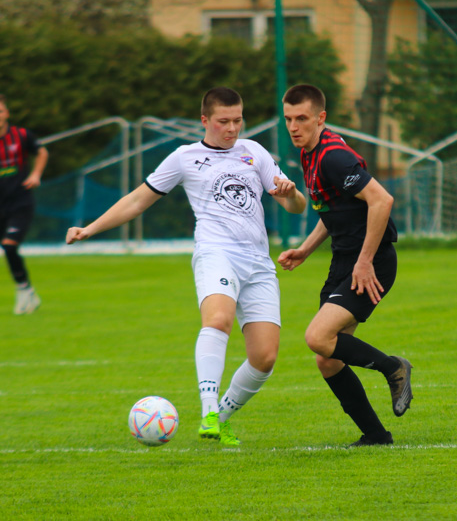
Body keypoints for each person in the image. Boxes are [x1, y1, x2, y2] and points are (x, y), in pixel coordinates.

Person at [66, 87, 306, 447]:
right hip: (215, 252)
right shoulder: (184, 157)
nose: (232, 128)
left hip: (258, 262)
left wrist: (291, 195)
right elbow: (136, 201)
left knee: (265, 357)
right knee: (218, 320)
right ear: (205, 120)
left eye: (238, 120)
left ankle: (220, 419)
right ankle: (209, 409)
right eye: (224, 121)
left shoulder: (254, 152)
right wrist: (91, 228)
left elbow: (296, 207)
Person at [278, 84, 412, 447]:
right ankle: (375, 435)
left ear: (320, 118)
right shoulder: (310, 153)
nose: (294, 126)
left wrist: (365, 261)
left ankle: (394, 367)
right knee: (328, 358)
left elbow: (381, 201)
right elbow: (332, 209)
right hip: (346, 260)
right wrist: (305, 250)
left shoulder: (334, 156)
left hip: (371, 261)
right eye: (288, 118)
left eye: (302, 118)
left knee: (318, 338)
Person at [0, 95, 49, 315]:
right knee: (9, 249)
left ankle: (24, 289)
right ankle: (27, 290)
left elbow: (42, 151)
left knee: (9, 245)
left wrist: (36, 174)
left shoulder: (21, 135)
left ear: (7, 113)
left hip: (20, 201)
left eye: (0, 111)